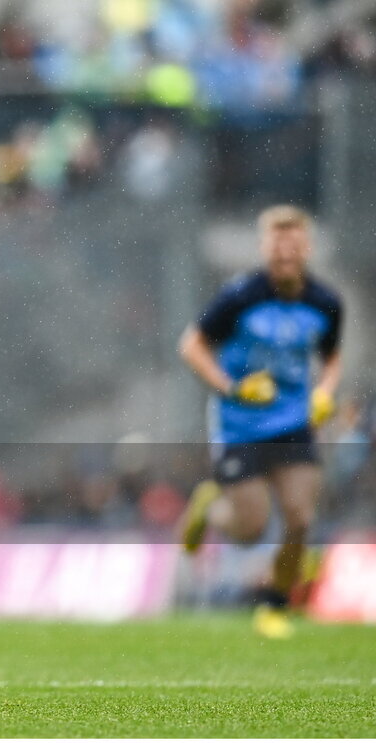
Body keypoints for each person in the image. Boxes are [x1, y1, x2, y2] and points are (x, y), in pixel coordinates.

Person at [178, 205, 342, 639]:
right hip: (240, 425)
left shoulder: (326, 304)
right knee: (250, 530)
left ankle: (275, 605)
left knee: (300, 517)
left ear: (306, 247)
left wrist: (324, 392)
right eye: (276, 243)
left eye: (293, 243)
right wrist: (231, 388)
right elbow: (192, 346)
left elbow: (331, 358)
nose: (284, 252)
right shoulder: (239, 297)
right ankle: (210, 509)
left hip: (292, 423)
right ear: (263, 248)